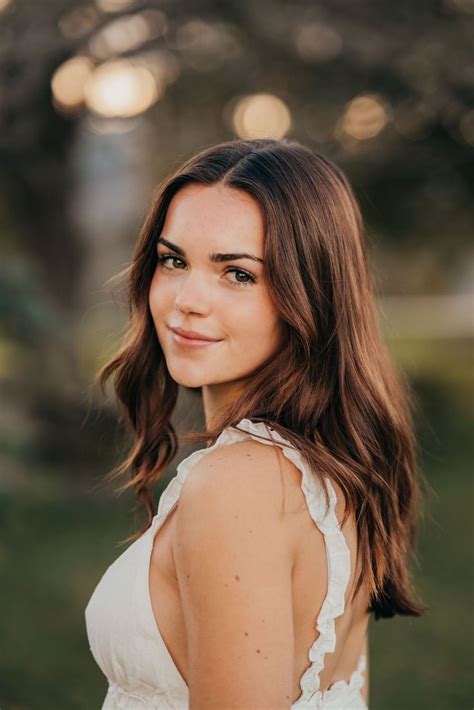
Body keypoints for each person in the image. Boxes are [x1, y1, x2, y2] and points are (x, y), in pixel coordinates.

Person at [85, 138, 426, 709]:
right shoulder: (340, 465)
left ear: (311, 293)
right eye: (174, 261)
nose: (186, 300)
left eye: (238, 274)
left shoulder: (235, 486)